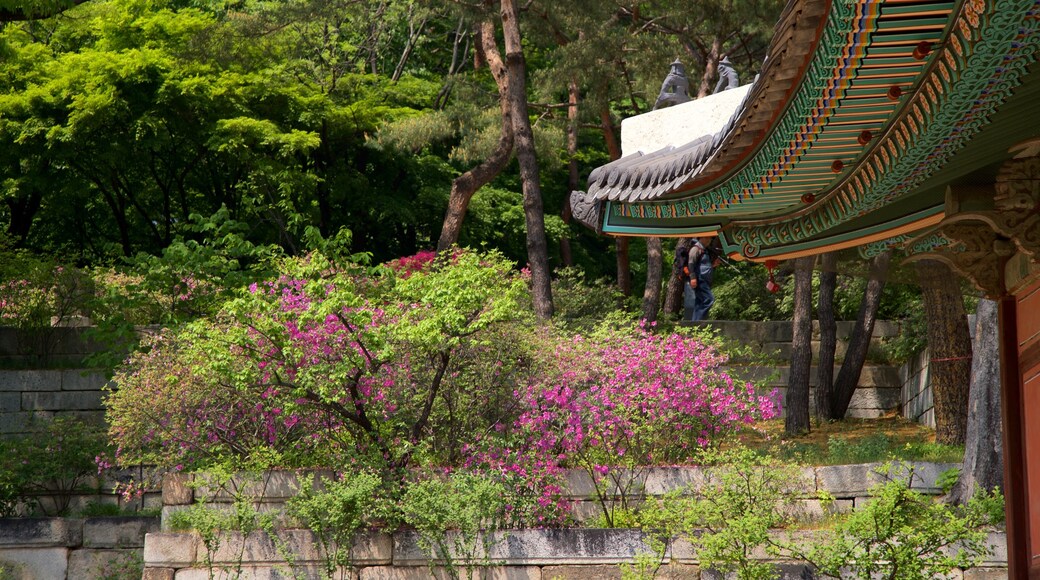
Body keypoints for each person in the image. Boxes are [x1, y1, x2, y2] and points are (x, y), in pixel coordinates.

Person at [682, 237, 717, 321]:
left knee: (699, 302)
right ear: (701, 238)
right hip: (699, 279)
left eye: (710, 239)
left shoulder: (704, 250)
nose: (709, 240)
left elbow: (703, 265)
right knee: (709, 299)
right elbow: (691, 264)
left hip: (705, 279)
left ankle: (695, 323)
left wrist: (714, 265)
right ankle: (699, 321)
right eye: (708, 238)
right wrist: (693, 278)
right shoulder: (696, 249)